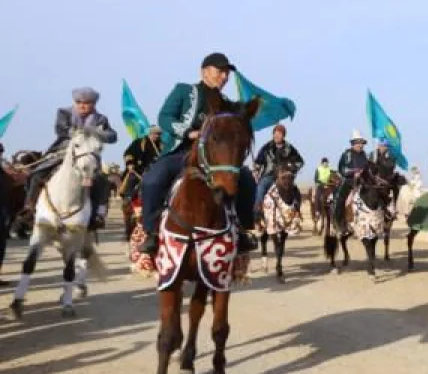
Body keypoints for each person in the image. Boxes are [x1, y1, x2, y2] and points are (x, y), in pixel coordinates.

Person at [138, 53, 257, 255]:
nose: (225, 77)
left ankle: (242, 229)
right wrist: (188, 131)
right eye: (220, 71)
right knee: (152, 179)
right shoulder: (184, 91)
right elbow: (164, 116)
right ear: (204, 72)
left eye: (227, 73)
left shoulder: (226, 102)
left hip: (213, 159)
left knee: (246, 178)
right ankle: (151, 232)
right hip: (182, 152)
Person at [21, 87, 118, 225]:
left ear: (93, 104)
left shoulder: (101, 119)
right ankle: (29, 208)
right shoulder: (64, 112)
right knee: (37, 174)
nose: (82, 105)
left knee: (101, 180)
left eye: (87, 102)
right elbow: (60, 130)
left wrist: (95, 132)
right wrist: (79, 133)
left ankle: (99, 212)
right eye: (79, 102)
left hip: (88, 156)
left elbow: (112, 136)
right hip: (62, 152)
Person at [253, 124, 305, 215]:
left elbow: (300, 162)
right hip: (269, 176)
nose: (277, 135)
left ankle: (296, 211)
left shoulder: (290, 148)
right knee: (260, 187)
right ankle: (258, 212)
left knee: (296, 192)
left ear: (283, 135)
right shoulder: (266, 147)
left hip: (285, 177)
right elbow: (258, 162)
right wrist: (256, 172)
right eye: (275, 133)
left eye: (279, 134)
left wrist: (291, 168)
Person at [332, 131, 370, 231]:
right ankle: (339, 222)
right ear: (353, 143)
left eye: (362, 143)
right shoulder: (347, 154)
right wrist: (354, 172)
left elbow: (367, 167)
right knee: (339, 199)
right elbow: (341, 168)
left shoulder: (364, 155)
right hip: (348, 181)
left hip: (362, 182)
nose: (361, 145)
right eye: (358, 143)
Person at [120, 125, 163, 205]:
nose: (157, 136)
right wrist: (130, 164)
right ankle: (128, 197)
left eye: (159, 134)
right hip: (139, 169)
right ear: (150, 133)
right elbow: (128, 153)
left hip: (156, 170)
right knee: (132, 178)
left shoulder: (162, 145)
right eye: (155, 134)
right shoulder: (139, 142)